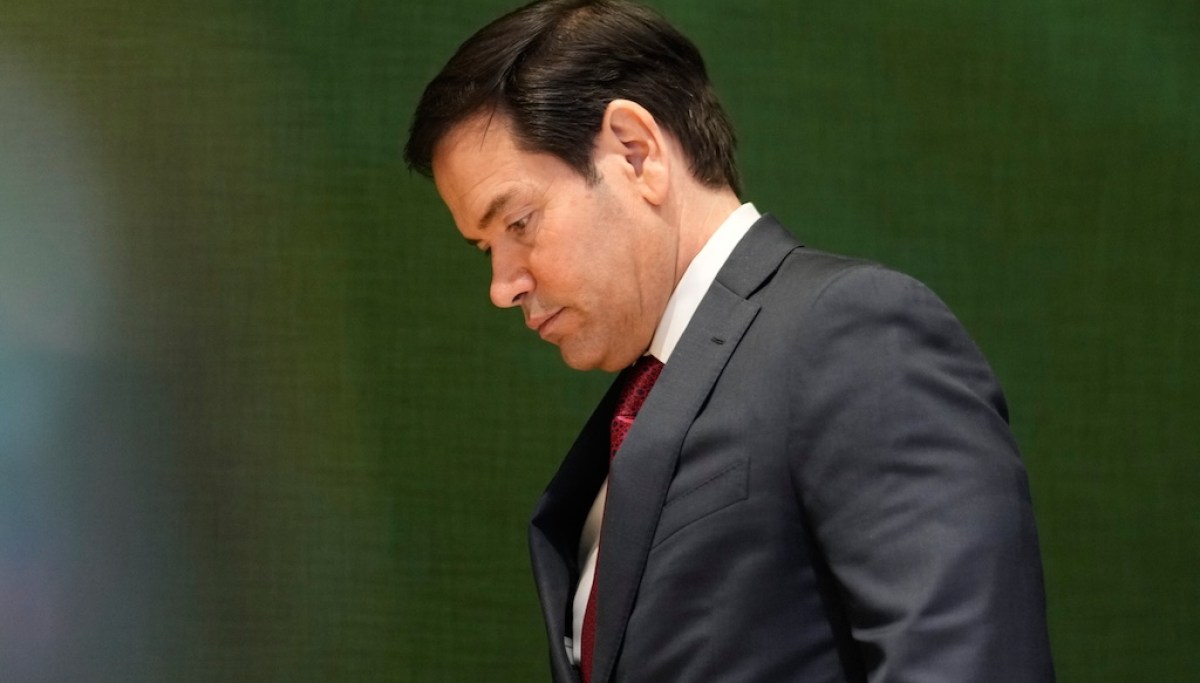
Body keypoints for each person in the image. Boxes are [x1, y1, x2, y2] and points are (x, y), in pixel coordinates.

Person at [404, 1, 1055, 681]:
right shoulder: (645, 396)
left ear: (636, 151)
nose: (502, 286)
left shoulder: (850, 330)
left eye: (518, 222)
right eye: (486, 248)